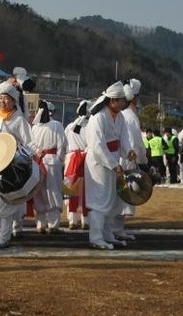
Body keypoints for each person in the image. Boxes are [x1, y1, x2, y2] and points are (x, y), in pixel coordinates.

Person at [84, 81, 136, 250]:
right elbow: (97, 146)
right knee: (99, 199)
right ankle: (96, 237)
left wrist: (128, 151)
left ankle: (107, 234)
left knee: (111, 199)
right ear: (112, 100)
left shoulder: (119, 117)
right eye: (121, 101)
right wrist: (113, 164)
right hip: (99, 163)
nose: (123, 104)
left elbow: (123, 139)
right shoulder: (98, 117)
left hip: (112, 160)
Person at [0, 81, 32, 248]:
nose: (2, 102)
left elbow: (30, 144)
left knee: (5, 203)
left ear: (14, 101)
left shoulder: (19, 121)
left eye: (6, 99)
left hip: (11, 169)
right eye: (0, 98)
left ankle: (5, 236)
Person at [113, 78, 148, 241]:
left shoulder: (122, 115)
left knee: (119, 196)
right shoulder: (131, 117)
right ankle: (117, 229)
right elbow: (136, 143)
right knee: (125, 195)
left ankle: (117, 228)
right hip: (127, 159)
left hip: (119, 157)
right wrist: (142, 160)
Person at [31, 99, 66, 235]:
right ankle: (53, 224)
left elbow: (31, 144)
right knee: (53, 191)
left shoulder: (35, 127)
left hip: (38, 162)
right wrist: (60, 159)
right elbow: (62, 144)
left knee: (39, 192)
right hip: (52, 162)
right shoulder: (57, 125)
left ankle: (40, 224)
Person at [63, 99, 92, 230]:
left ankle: (72, 220)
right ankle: (85, 220)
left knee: (71, 189)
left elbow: (65, 144)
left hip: (72, 159)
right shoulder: (91, 126)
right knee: (87, 190)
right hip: (87, 160)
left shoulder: (69, 126)